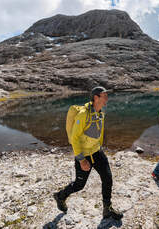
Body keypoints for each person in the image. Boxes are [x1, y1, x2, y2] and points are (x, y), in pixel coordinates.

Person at [53, 86, 123, 220]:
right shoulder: (83, 114)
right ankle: (60, 196)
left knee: (107, 178)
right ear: (96, 97)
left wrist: (99, 147)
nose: (107, 98)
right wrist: (81, 159)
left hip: (97, 152)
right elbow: (75, 138)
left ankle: (107, 209)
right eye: (104, 96)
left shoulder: (100, 113)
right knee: (79, 185)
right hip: (84, 156)